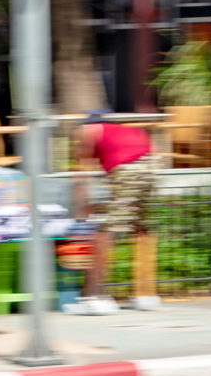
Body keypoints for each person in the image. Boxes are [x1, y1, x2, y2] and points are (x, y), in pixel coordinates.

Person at [64, 111, 161, 315]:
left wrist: (82, 211)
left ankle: (93, 297)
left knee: (105, 231)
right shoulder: (122, 131)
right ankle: (145, 295)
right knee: (141, 228)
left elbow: (82, 177)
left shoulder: (88, 131)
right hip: (152, 166)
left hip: (128, 171)